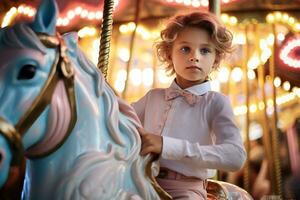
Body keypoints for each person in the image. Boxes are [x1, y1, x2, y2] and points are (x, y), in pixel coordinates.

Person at [131, 11, 246, 199]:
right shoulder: (153, 97)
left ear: (216, 59)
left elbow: (236, 156)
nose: (195, 57)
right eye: (185, 49)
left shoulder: (216, 102)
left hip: (185, 189)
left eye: (205, 50)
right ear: (169, 54)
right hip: (141, 181)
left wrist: (167, 146)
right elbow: (118, 120)